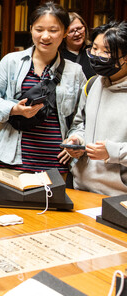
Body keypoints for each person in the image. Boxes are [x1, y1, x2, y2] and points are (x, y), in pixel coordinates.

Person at [0, 1, 86, 175]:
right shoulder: (11, 62)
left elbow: (81, 118)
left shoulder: (75, 72)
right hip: (11, 159)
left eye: (53, 30)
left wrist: (76, 139)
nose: (45, 36)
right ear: (31, 29)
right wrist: (14, 109)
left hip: (56, 162)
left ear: (65, 31)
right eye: (39, 29)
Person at [64, 21, 127, 196]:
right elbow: (80, 124)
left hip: (118, 195)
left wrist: (114, 152)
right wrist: (77, 140)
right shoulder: (92, 84)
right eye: (94, 49)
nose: (97, 55)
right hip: (81, 187)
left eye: (106, 51)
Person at [60, 12, 95, 79]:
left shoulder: (94, 51)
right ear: (63, 34)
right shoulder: (58, 55)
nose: (76, 34)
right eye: (71, 31)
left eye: (79, 28)